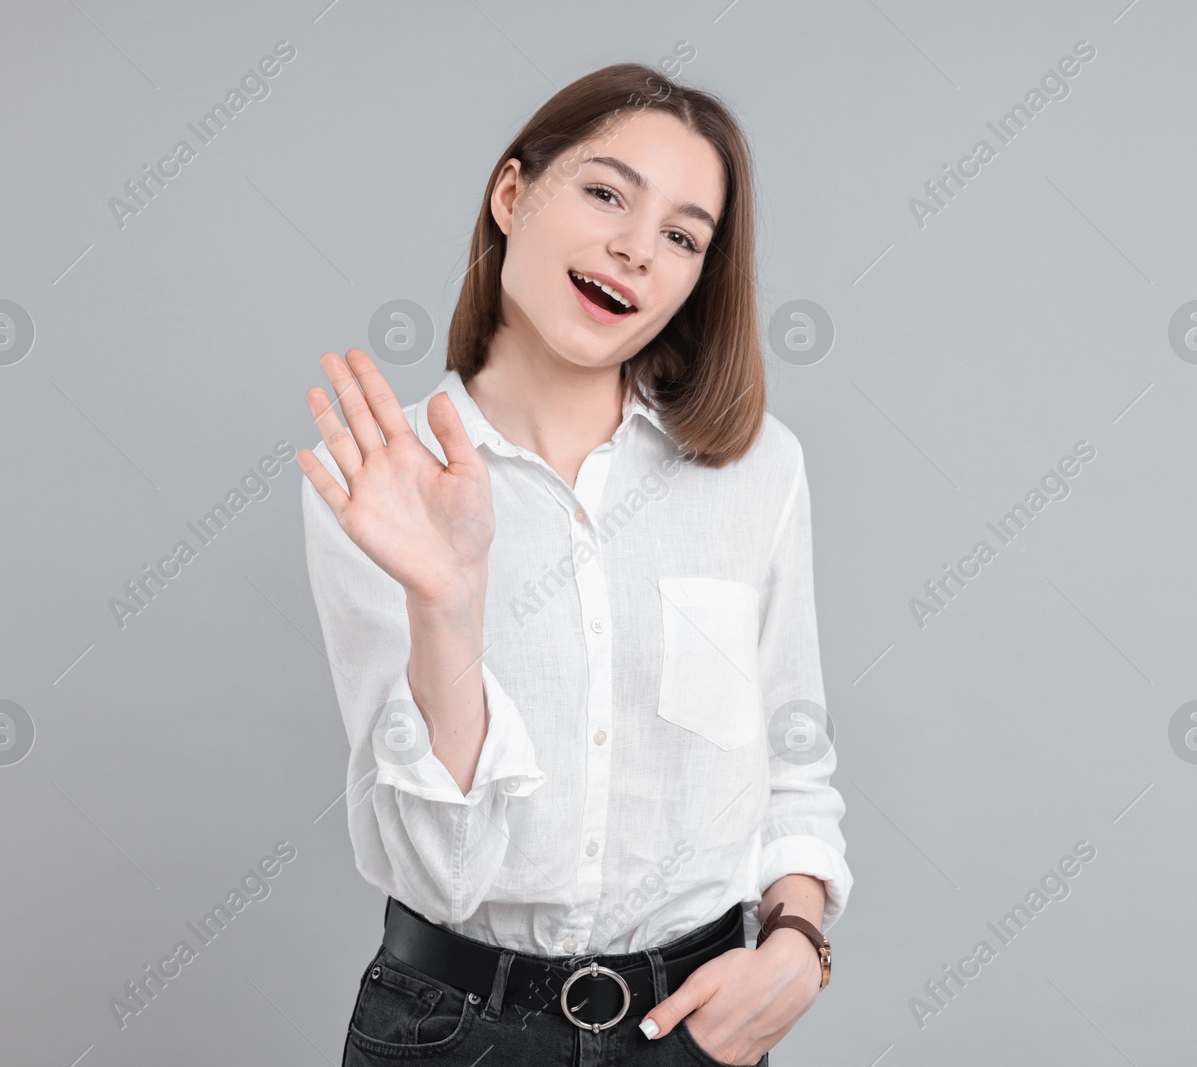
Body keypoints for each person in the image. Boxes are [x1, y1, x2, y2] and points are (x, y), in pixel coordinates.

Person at [297, 61, 850, 1066]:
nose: (635, 250)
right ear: (512, 195)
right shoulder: (385, 480)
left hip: (692, 1028)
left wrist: (797, 946)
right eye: (605, 193)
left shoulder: (756, 470)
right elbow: (444, 870)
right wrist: (448, 602)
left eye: (682, 236)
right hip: (451, 1030)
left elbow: (792, 755)